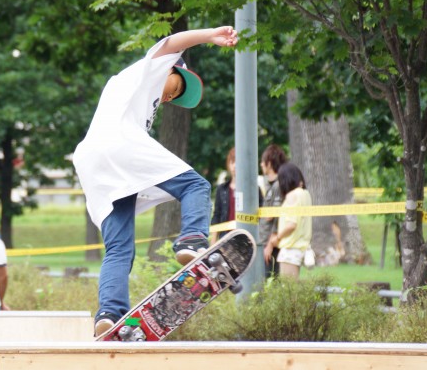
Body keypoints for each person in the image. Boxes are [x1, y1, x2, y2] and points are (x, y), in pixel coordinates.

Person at [72, 26, 238, 335]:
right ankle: (192, 239)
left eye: (174, 96)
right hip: (118, 146)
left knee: (119, 249)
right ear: (172, 69)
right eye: (175, 87)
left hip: (95, 162)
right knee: (196, 185)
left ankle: (108, 313)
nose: (170, 95)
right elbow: (172, 42)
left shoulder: (137, 97)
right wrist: (210, 35)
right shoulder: (149, 69)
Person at [263, 162, 312, 279]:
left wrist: (277, 238)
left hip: (290, 248)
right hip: (302, 246)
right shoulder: (305, 194)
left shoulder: (292, 196)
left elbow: (291, 225)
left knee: (289, 291)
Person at [211, 147, 263, 242]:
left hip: (248, 239)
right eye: (232, 162)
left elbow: (261, 214)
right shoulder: (222, 189)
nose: (234, 166)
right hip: (226, 239)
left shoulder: (254, 189)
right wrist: (213, 241)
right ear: (228, 165)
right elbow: (217, 216)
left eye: (237, 162)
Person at [259, 144, 288, 278]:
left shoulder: (278, 185)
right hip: (263, 241)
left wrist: (270, 244)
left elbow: (276, 217)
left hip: (271, 244)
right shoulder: (268, 185)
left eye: (263, 161)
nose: (261, 164)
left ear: (269, 163)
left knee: (269, 279)